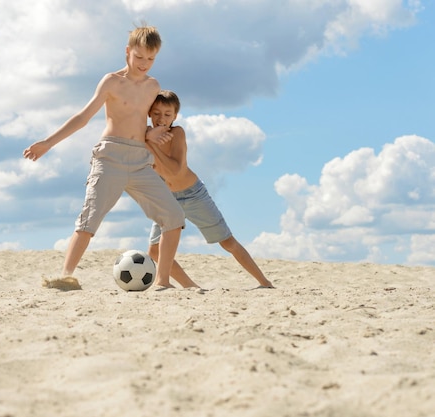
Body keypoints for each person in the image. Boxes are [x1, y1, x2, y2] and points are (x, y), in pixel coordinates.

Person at [23, 26, 185, 290]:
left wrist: (150, 133)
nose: (144, 64)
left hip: (140, 161)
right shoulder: (111, 81)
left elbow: (148, 122)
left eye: (151, 59)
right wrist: (48, 143)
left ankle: (163, 281)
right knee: (89, 220)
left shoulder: (153, 86)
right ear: (127, 52)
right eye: (139, 57)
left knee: (174, 216)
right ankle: (65, 277)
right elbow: (83, 118)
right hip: (110, 157)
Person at [145, 90, 274, 289]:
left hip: (193, 194)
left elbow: (174, 170)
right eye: (156, 113)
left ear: (175, 116)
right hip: (168, 198)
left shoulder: (177, 133)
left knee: (227, 242)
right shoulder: (144, 136)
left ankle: (264, 283)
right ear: (149, 113)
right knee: (154, 250)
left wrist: (150, 144)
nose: (161, 118)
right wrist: (146, 136)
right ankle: (191, 286)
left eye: (167, 114)